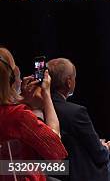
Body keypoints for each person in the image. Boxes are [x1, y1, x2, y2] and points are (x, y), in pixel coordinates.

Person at [47, 59, 110, 181]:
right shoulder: (76, 112)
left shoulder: (36, 108)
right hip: (74, 174)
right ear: (69, 82)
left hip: (52, 172)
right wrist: (105, 149)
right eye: (74, 78)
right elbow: (99, 154)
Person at [0, 48, 68, 181]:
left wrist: (23, 100)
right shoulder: (19, 116)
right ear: (12, 79)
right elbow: (55, 153)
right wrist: (46, 94)